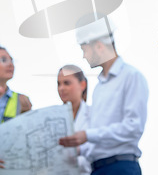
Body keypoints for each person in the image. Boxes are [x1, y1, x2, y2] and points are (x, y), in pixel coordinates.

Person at [59, 16, 149, 175]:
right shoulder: (99, 87)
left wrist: (87, 135)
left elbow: (133, 127)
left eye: (84, 49)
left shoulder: (131, 76)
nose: (83, 56)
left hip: (120, 167)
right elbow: (98, 138)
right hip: (98, 168)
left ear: (99, 46)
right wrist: (76, 148)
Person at [57, 64, 91, 175]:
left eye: (66, 83)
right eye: (59, 84)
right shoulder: (53, 119)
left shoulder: (94, 115)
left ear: (82, 85)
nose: (61, 88)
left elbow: (97, 154)